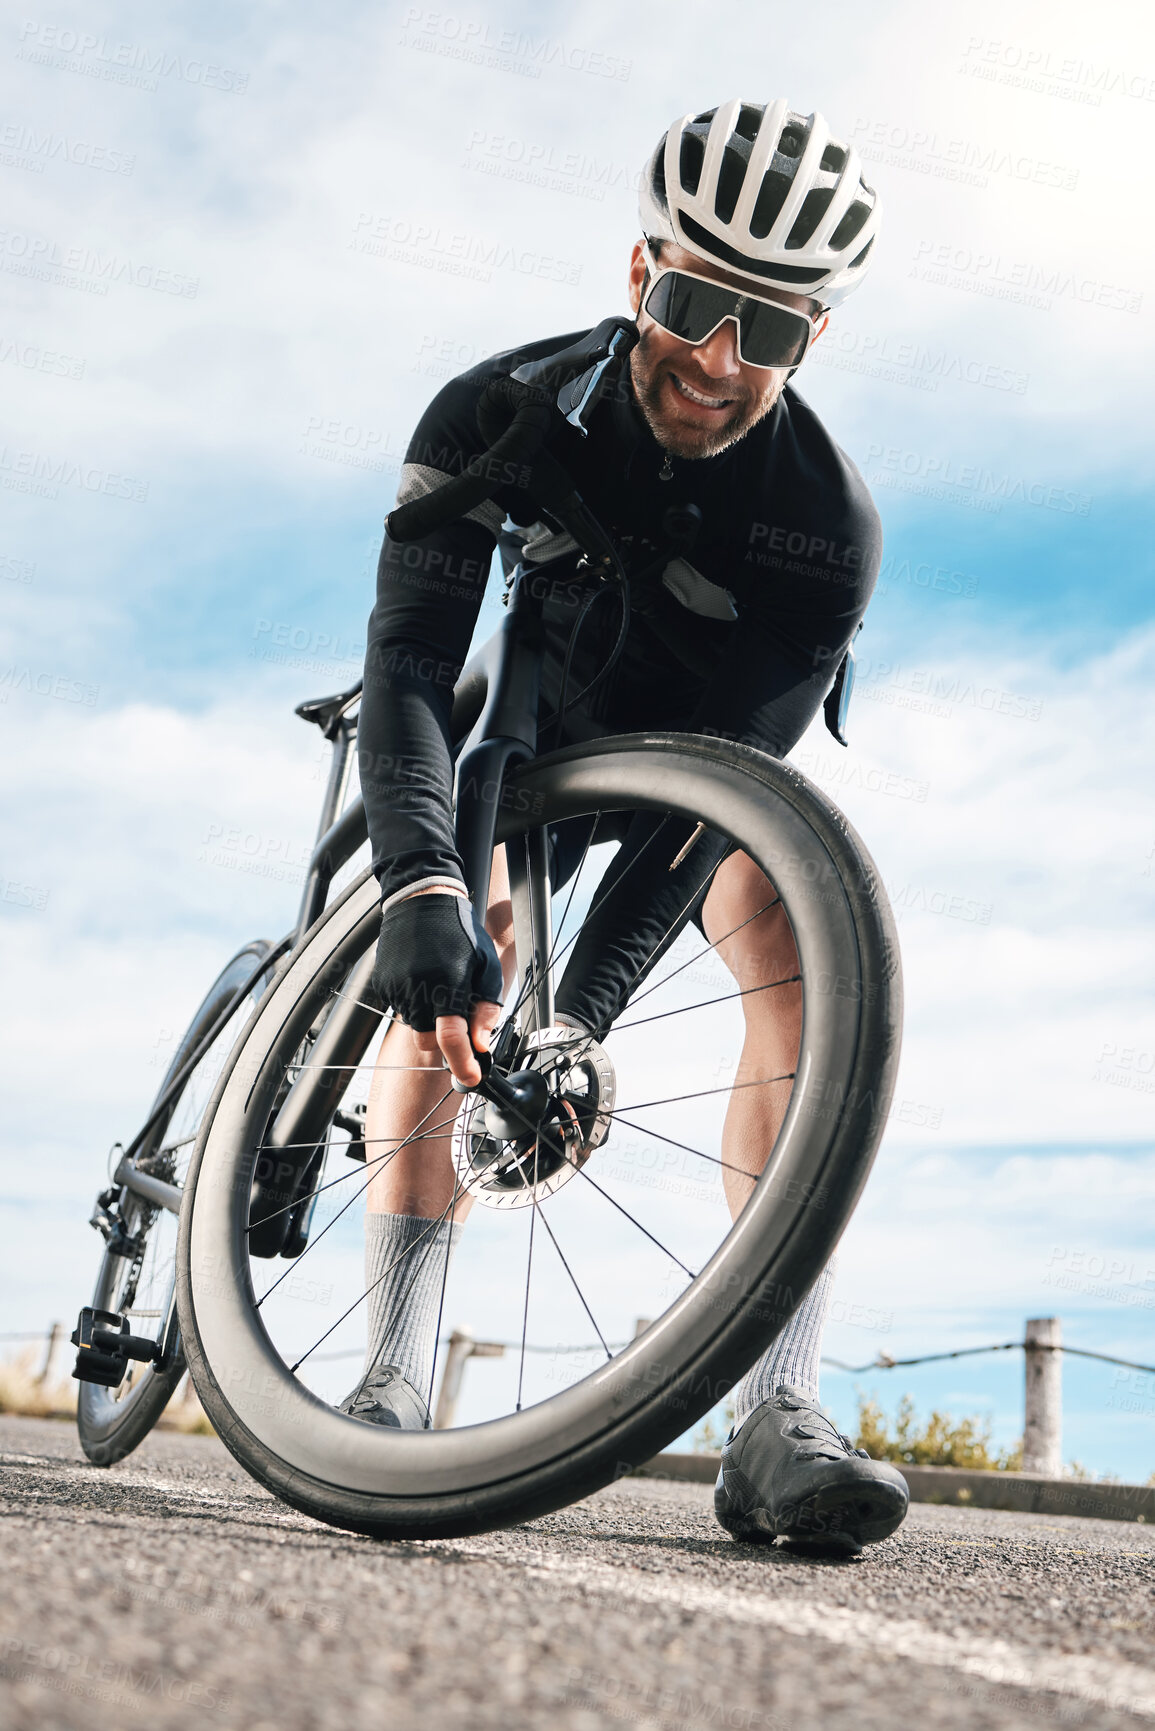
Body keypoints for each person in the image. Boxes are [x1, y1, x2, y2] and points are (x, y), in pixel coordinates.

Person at [352, 98, 908, 1553]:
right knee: (472, 941)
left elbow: (721, 799)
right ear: (639, 268)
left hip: (685, 765)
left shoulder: (825, 528)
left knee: (795, 918)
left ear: (814, 344)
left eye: (770, 332)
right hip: (512, 740)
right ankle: (392, 1380)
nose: (721, 362)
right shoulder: (497, 407)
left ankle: (774, 1411)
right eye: (693, 303)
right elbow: (410, 667)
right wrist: (421, 880)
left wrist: (584, 1025)